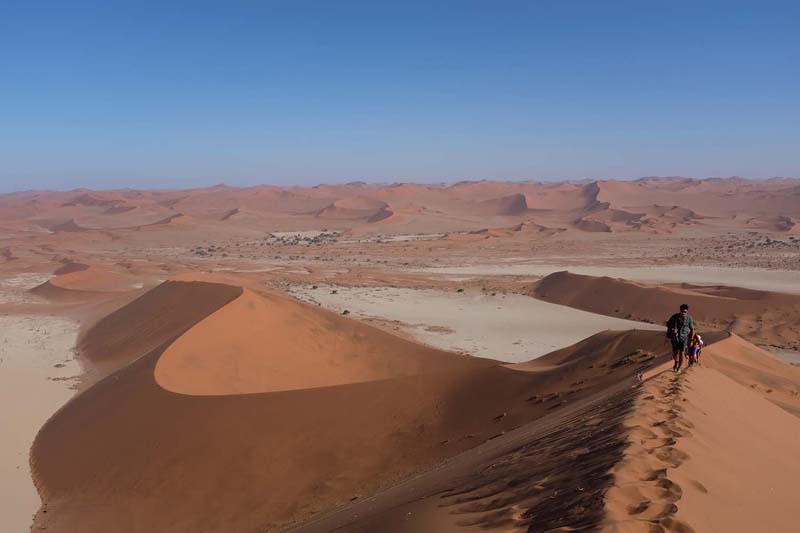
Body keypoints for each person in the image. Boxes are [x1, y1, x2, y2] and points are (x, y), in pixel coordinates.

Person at [666, 303, 694, 372]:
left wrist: (691, 339)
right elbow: (668, 324)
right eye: (682, 311)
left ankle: (679, 367)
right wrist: (673, 329)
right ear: (680, 311)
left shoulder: (689, 318)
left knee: (682, 352)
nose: (684, 313)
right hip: (675, 338)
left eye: (685, 312)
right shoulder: (674, 317)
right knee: (675, 353)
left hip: (684, 338)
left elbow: (692, 328)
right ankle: (676, 362)